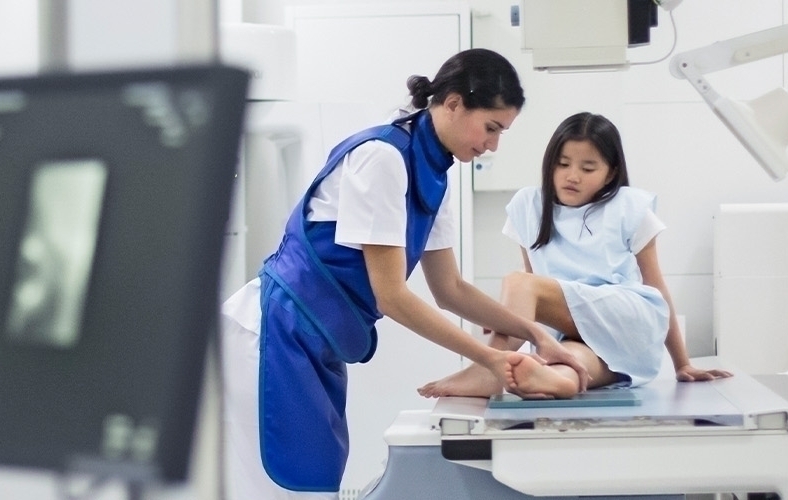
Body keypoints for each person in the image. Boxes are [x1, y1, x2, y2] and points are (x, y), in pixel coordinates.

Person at [220, 48, 591, 499]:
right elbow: (391, 297)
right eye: (491, 127)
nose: (493, 144)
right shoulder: (382, 158)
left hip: (318, 341)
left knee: (316, 480)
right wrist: (491, 359)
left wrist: (536, 332)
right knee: (290, 487)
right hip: (273, 333)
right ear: (452, 102)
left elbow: (449, 289)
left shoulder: (433, 171)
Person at [418, 112, 731, 400]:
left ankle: (489, 371)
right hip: (574, 334)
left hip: (626, 319)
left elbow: (656, 288)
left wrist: (682, 363)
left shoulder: (629, 206)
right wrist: (510, 315)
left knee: (520, 282)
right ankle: (555, 381)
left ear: (610, 174)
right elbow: (538, 294)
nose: (573, 176)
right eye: (563, 163)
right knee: (566, 369)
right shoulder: (529, 207)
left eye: (588, 168)